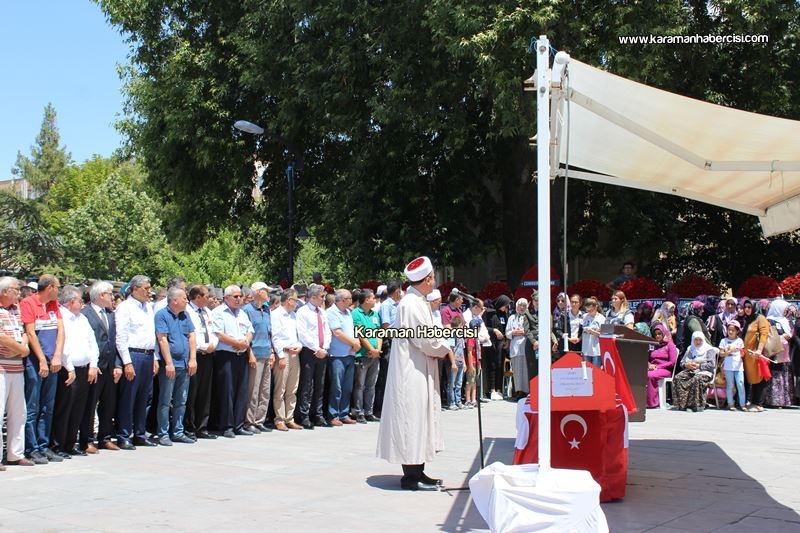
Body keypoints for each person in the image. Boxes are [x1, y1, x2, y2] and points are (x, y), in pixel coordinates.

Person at [376, 256, 452, 491]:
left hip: (419, 366)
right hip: (412, 369)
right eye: (433, 278)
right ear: (428, 279)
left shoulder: (416, 301)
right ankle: (410, 477)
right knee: (411, 418)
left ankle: (419, 470)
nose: (434, 282)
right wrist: (445, 346)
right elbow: (424, 338)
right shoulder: (411, 303)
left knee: (419, 418)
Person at [21, 274, 65, 464]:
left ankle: (44, 444)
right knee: (33, 406)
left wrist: (56, 356)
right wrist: (41, 360)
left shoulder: (54, 305)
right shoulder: (28, 303)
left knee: (48, 406)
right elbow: (30, 333)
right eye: (58, 287)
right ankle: (31, 447)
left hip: (52, 362)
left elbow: (61, 331)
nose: (59, 290)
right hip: (35, 363)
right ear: (49, 288)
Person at [51, 286, 99, 458]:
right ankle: (58, 445)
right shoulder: (62, 316)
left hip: (84, 369)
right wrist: (70, 367)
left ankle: (71, 443)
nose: (82, 303)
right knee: (65, 408)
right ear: (71, 302)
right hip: (68, 370)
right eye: (80, 300)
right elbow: (63, 345)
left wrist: (93, 364)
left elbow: (92, 341)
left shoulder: (82, 318)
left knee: (79, 409)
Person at [115, 275, 158, 450]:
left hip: (148, 355)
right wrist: (127, 362)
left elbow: (150, 334)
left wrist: (154, 358)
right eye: (146, 288)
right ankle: (124, 434)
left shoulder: (148, 307)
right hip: (133, 355)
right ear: (135, 289)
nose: (149, 292)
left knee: (144, 397)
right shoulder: (125, 307)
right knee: (129, 396)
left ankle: (140, 433)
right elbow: (121, 337)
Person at [81, 281, 122, 451]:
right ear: (100, 295)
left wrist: (118, 364)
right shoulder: (85, 314)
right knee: (90, 404)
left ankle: (104, 437)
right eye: (109, 293)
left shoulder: (111, 314)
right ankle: (86, 439)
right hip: (95, 366)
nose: (112, 297)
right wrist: (92, 362)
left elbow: (116, 340)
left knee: (108, 402)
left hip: (110, 365)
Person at [154, 287, 197, 446]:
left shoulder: (185, 315)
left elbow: (192, 336)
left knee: (181, 401)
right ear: (174, 300)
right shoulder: (162, 315)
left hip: (185, 365)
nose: (187, 301)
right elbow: (162, 339)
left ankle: (178, 431)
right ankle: (163, 433)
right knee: (165, 401)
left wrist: (193, 359)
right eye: (184, 298)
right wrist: (169, 363)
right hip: (171, 365)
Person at [211, 285, 255, 437]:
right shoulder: (218, 312)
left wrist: (245, 342)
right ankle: (226, 425)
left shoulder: (242, 313)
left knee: (241, 390)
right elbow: (219, 334)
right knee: (226, 391)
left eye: (240, 296)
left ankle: (238, 424)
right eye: (235, 296)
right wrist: (237, 343)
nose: (239, 299)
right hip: (226, 355)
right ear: (226, 297)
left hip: (241, 355)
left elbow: (250, 330)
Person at [0, 277, 34, 467]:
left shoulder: (16, 309)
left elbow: (23, 332)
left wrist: (23, 347)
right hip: (2, 367)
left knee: (18, 412)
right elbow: (1, 337)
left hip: (16, 367)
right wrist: (22, 350)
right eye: (15, 289)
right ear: (5, 291)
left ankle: (15, 453)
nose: (18, 293)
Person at [295, 283, 332, 429]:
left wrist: (325, 347)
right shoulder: (303, 312)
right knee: (306, 385)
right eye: (322, 296)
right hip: (309, 351)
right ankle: (304, 415)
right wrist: (317, 348)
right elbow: (303, 334)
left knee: (320, 384)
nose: (324, 299)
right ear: (314, 297)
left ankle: (317, 414)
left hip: (322, 351)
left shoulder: (322, 312)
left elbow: (327, 331)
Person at [184, 284, 218, 439]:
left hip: (209, 355)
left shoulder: (207, 312)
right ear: (197, 297)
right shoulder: (187, 311)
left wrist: (213, 345)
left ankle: (202, 427)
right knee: (192, 392)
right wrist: (203, 346)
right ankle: (189, 427)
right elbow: (190, 334)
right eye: (206, 296)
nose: (209, 298)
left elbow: (214, 331)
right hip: (195, 354)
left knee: (205, 391)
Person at [242, 281, 275, 433]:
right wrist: (250, 354)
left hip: (267, 353)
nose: (268, 293)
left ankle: (260, 420)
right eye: (265, 290)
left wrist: (273, 352)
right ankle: (249, 421)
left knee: (265, 390)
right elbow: (246, 334)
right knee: (253, 390)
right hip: (255, 353)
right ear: (257, 292)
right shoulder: (247, 310)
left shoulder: (267, 309)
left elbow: (270, 333)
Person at [326, 289, 361, 426]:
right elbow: (337, 333)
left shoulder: (348, 313)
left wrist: (356, 342)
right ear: (343, 300)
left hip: (350, 354)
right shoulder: (332, 312)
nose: (351, 301)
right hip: (337, 355)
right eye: (350, 298)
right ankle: (333, 414)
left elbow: (353, 330)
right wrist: (353, 343)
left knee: (347, 387)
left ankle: (344, 413)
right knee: (337, 386)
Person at [270, 289, 304, 431]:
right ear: (289, 300)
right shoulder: (276, 314)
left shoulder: (294, 316)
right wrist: (281, 356)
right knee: (281, 388)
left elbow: (298, 335)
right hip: (283, 353)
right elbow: (275, 336)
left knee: (292, 387)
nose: (297, 303)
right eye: (296, 300)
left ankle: (289, 417)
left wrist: (300, 346)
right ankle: (279, 418)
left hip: (294, 353)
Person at [351, 288, 382, 423]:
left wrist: (378, 349)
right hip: (363, 354)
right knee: (360, 385)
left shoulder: (375, 315)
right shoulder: (356, 314)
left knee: (371, 384)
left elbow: (379, 333)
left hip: (375, 355)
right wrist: (371, 349)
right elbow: (360, 333)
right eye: (373, 297)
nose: (375, 300)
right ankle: (358, 412)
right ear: (367, 299)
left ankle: (369, 411)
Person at [672, 331, 716, 412]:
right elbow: (682, 362)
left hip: (705, 372)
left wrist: (699, 366)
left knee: (696, 379)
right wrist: (686, 365)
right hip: (691, 370)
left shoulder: (709, 349)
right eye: (696, 340)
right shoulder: (691, 348)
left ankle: (696, 405)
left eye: (700, 340)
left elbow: (712, 365)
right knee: (678, 378)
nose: (698, 342)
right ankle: (682, 404)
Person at [740, 298, 770, 412]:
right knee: (751, 378)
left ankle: (759, 404)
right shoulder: (748, 319)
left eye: (749, 307)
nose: (747, 309)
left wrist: (759, 350)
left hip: (756, 354)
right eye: (745, 307)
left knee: (759, 377)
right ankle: (752, 401)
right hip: (747, 355)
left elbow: (764, 334)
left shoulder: (760, 318)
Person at [763, 299, 794, 408]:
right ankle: (774, 401)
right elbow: (769, 336)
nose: (786, 311)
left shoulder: (785, 321)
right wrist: (783, 337)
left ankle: (784, 401)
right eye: (784, 309)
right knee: (776, 374)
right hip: (775, 352)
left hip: (785, 353)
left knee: (784, 375)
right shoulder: (769, 321)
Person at [506, 298, 533, 399]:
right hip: (515, 348)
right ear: (516, 306)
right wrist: (514, 332)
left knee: (526, 370)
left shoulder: (529, 317)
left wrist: (522, 332)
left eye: (524, 306)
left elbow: (530, 330)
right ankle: (519, 392)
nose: (522, 308)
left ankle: (527, 392)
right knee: (517, 371)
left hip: (526, 347)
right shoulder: (512, 317)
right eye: (520, 305)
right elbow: (507, 332)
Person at [646, 324, 677, 408]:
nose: (657, 336)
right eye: (655, 334)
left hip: (665, 369)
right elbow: (646, 358)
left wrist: (658, 367)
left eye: (659, 333)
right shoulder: (652, 345)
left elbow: (672, 362)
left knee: (650, 375)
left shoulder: (669, 345)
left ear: (663, 334)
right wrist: (649, 365)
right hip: (652, 368)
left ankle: (652, 403)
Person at [719, 320, 746, 410]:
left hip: (738, 367)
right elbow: (721, 353)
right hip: (728, 367)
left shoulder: (740, 341)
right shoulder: (724, 341)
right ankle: (731, 403)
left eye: (733, 330)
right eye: (729, 330)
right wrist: (730, 351)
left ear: (737, 331)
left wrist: (740, 351)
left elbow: (743, 354)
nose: (730, 332)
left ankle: (742, 404)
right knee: (730, 385)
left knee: (740, 383)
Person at [446, 315, 467, 409]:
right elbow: (450, 349)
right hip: (453, 362)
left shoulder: (461, 336)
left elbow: (462, 350)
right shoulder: (452, 334)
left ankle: (458, 401)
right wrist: (453, 363)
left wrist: (464, 363)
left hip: (460, 362)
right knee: (452, 384)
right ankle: (451, 402)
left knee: (459, 383)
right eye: (462, 325)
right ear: (459, 325)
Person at [581, 297, 606, 367]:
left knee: (596, 373)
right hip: (585, 350)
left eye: (591, 309)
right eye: (587, 309)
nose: (589, 311)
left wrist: (592, 332)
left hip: (596, 351)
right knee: (587, 372)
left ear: (596, 307)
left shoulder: (602, 318)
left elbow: (603, 335)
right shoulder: (584, 316)